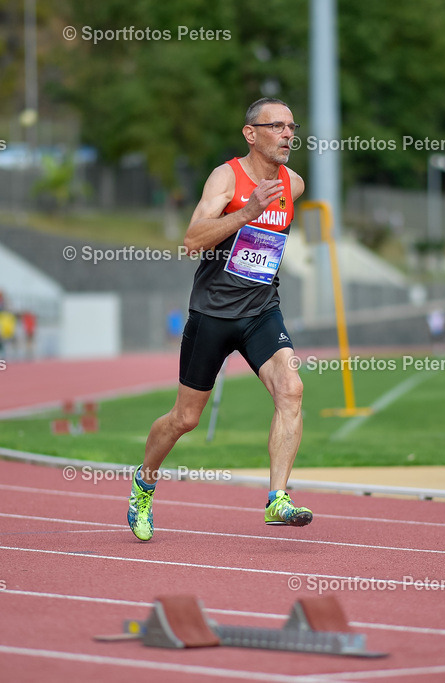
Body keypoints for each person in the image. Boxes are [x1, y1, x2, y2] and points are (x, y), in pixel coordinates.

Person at [127, 98, 309, 541]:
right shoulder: (226, 177)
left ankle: (277, 499)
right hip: (212, 313)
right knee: (185, 419)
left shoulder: (295, 184)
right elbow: (191, 241)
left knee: (292, 388)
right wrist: (246, 213)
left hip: (261, 309)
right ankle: (143, 484)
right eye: (277, 126)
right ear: (251, 134)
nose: (288, 134)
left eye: (291, 126)